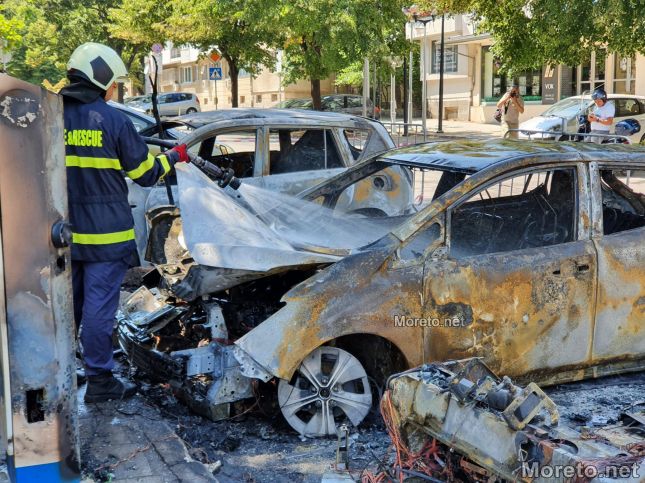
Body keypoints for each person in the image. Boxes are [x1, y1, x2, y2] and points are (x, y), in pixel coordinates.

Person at [60, 42, 190, 403]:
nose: (114, 89)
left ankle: (63, 374)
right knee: (99, 311)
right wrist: (174, 156)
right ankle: (100, 380)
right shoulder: (114, 120)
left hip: (63, 237)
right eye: (113, 82)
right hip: (106, 237)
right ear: (100, 77)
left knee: (68, 310)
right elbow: (145, 173)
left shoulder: (51, 116)